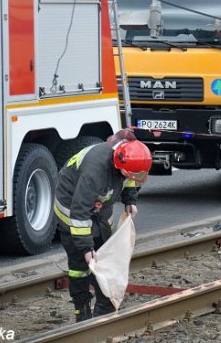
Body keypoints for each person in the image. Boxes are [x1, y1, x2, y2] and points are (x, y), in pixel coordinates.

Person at [54, 129, 152, 322]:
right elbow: (79, 212)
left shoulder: (129, 159)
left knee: (103, 256)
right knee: (79, 264)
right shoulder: (95, 172)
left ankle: (104, 305)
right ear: (119, 164)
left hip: (99, 206)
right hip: (72, 207)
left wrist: (130, 200)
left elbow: (129, 179)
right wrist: (85, 247)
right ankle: (81, 308)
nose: (134, 177)